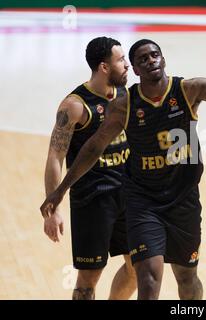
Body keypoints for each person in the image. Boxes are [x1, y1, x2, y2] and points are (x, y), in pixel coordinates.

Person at [41, 19, 206, 300]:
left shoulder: (189, 90)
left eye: (155, 55)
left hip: (182, 200)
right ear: (135, 69)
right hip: (134, 201)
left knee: (184, 278)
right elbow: (90, 148)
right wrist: (59, 192)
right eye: (140, 59)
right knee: (147, 280)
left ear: (163, 59)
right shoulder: (119, 105)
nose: (148, 60)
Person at [43, 36, 136, 300]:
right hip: (93, 200)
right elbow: (54, 157)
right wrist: (53, 210)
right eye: (121, 60)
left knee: (137, 267)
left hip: (128, 195)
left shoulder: (124, 93)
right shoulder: (74, 106)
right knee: (88, 279)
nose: (127, 65)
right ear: (104, 67)